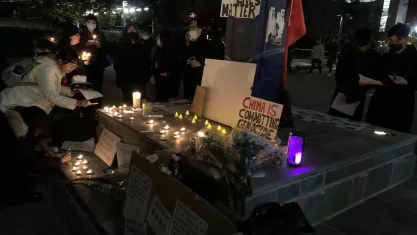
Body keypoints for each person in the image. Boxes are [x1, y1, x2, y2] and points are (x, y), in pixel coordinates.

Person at [0, 47, 91, 114]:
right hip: (13, 103)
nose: (72, 69)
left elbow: (53, 86)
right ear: (60, 61)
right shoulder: (47, 69)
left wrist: (72, 92)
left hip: (25, 104)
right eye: (71, 65)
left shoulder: (55, 67)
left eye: (75, 66)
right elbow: (50, 94)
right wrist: (77, 103)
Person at [366, 24, 417, 133]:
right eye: (391, 41)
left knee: (395, 134)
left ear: (407, 39)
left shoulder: (414, 58)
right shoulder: (386, 57)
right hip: (381, 101)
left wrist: (407, 83)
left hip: (401, 104)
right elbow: (377, 74)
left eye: (398, 40)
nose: (394, 44)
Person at [328, 28, 380, 121]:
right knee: (343, 123)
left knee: (338, 122)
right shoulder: (350, 52)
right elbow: (340, 74)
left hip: (349, 94)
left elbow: (339, 75)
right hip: (348, 93)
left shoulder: (372, 55)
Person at [114, 24, 152, 103]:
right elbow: (117, 63)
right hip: (126, 80)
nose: (132, 32)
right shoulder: (121, 45)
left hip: (139, 79)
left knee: (140, 101)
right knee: (128, 102)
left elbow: (146, 61)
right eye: (130, 30)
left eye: (134, 30)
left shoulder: (141, 45)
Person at [80, 14, 108, 93]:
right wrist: (85, 44)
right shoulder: (81, 34)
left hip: (98, 63)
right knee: (86, 82)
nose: (91, 24)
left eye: (93, 23)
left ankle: (98, 101)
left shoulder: (100, 34)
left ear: (96, 24)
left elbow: (106, 47)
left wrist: (99, 45)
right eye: (89, 22)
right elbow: (78, 46)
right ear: (86, 23)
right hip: (85, 63)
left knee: (97, 85)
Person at [182, 20, 208, 100]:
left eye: (194, 28)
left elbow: (214, 61)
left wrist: (201, 64)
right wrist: (186, 61)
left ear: (200, 29)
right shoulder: (189, 43)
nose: (191, 30)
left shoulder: (207, 44)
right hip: (188, 79)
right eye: (190, 28)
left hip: (201, 79)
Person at [152, 30, 180, 101]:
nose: (157, 39)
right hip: (160, 80)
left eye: (159, 37)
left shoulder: (169, 50)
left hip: (167, 82)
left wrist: (165, 73)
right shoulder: (158, 49)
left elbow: (173, 65)